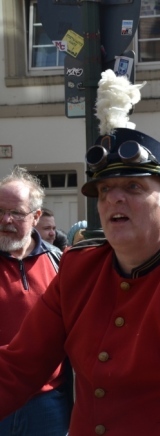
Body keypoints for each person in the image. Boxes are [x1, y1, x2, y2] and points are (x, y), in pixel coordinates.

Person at [0, 104, 160, 433]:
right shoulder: (80, 266)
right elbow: (20, 364)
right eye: (105, 190)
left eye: (133, 187)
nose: (114, 199)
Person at [0, 167, 69, 436]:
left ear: (36, 216)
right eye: (0, 211)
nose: (6, 219)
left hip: (48, 403)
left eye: (16, 213)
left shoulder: (60, 263)